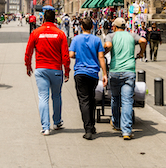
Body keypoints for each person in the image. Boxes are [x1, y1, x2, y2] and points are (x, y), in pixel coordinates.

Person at [25, 8, 70, 136]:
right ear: (55, 20)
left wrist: (28, 66)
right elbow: (65, 55)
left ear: (43, 19)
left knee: (43, 97)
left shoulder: (36, 33)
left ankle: (45, 127)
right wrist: (66, 71)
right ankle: (57, 122)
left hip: (41, 69)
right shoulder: (60, 34)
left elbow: (28, 51)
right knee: (56, 96)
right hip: (56, 69)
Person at [104, 17, 147, 140]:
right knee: (127, 101)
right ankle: (127, 131)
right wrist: (141, 52)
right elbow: (143, 40)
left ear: (114, 27)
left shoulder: (111, 36)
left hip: (115, 71)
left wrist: (105, 52)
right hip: (129, 71)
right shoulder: (132, 36)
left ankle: (116, 123)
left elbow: (107, 45)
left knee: (115, 98)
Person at [69, 17, 107, 140]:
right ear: (92, 27)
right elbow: (101, 57)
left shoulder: (76, 39)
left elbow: (71, 54)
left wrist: (78, 55)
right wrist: (104, 74)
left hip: (80, 73)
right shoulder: (97, 40)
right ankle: (92, 126)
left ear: (81, 27)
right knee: (91, 99)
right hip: (93, 73)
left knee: (84, 100)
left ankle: (88, 128)